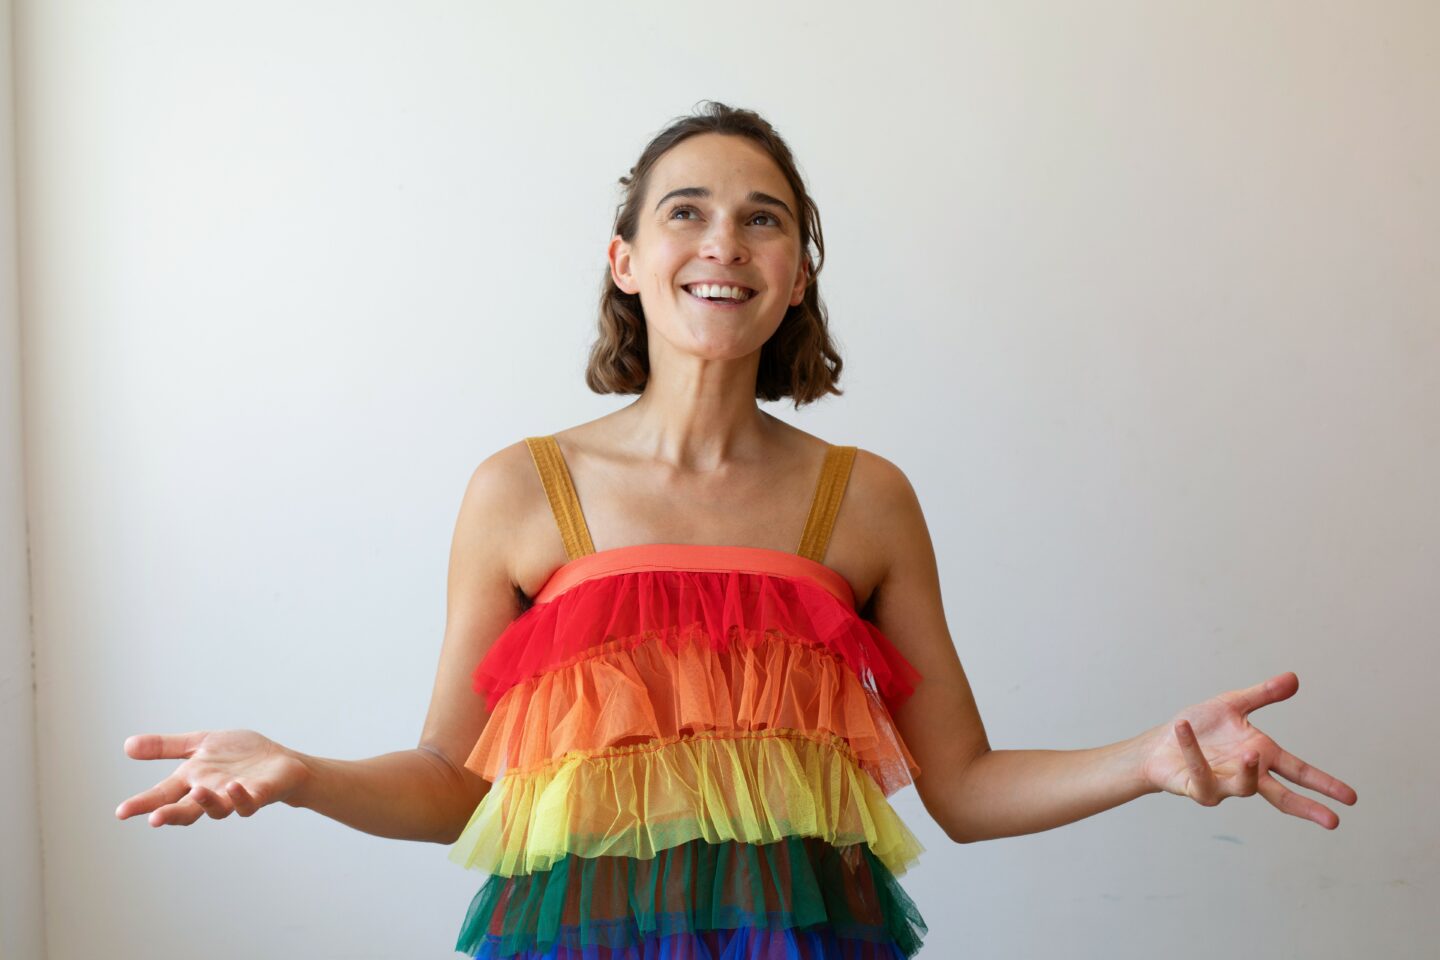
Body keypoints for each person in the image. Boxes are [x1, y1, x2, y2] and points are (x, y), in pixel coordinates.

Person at [117, 101, 1358, 957]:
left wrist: (1147, 758)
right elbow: (455, 788)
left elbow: (965, 791)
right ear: (625, 258)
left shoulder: (864, 499)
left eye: (765, 218)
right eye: (687, 212)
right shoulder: (518, 490)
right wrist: (298, 775)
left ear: (800, 271)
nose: (724, 241)